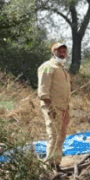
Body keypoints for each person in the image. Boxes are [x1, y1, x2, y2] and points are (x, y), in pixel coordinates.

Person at [37, 42, 71, 171]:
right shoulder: (47, 67)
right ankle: (49, 166)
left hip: (64, 108)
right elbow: (43, 90)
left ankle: (56, 164)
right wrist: (50, 108)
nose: (62, 53)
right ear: (53, 52)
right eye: (59, 50)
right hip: (53, 108)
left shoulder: (62, 68)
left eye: (64, 51)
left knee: (61, 136)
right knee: (54, 136)